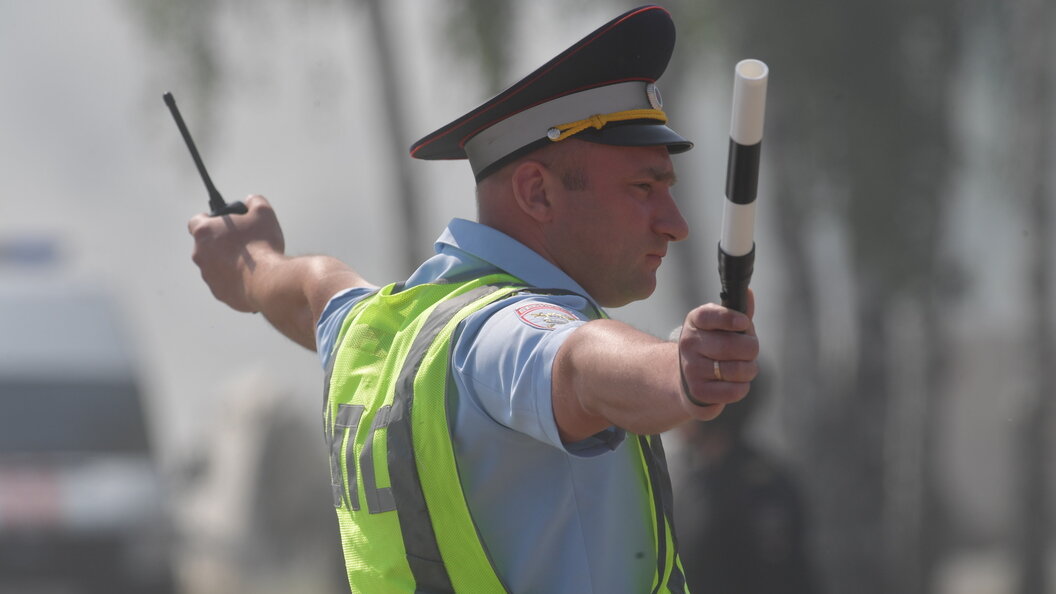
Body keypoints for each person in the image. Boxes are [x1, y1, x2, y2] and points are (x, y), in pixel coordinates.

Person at [188, 5, 759, 593]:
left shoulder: (381, 331)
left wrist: (249, 264)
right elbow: (580, 363)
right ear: (537, 192)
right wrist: (680, 371)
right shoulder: (511, 330)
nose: (675, 223)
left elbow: (314, 293)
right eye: (644, 187)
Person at [670, 370, 818, 593]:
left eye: (688, 396)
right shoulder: (688, 476)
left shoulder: (760, 489)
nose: (677, 408)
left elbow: (780, 578)